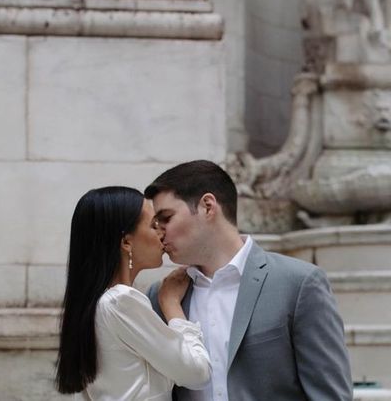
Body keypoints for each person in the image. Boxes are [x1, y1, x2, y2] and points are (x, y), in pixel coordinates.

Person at [145, 161, 353, 400]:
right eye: (155, 224)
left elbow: (330, 395)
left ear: (207, 207)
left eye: (166, 218)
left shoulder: (299, 284)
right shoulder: (161, 297)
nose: (159, 233)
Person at [55, 186, 211, 401]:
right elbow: (197, 372)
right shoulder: (121, 301)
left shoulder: (95, 302)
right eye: (154, 225)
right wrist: (171, 304)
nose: (162, 233)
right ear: (126, 242)